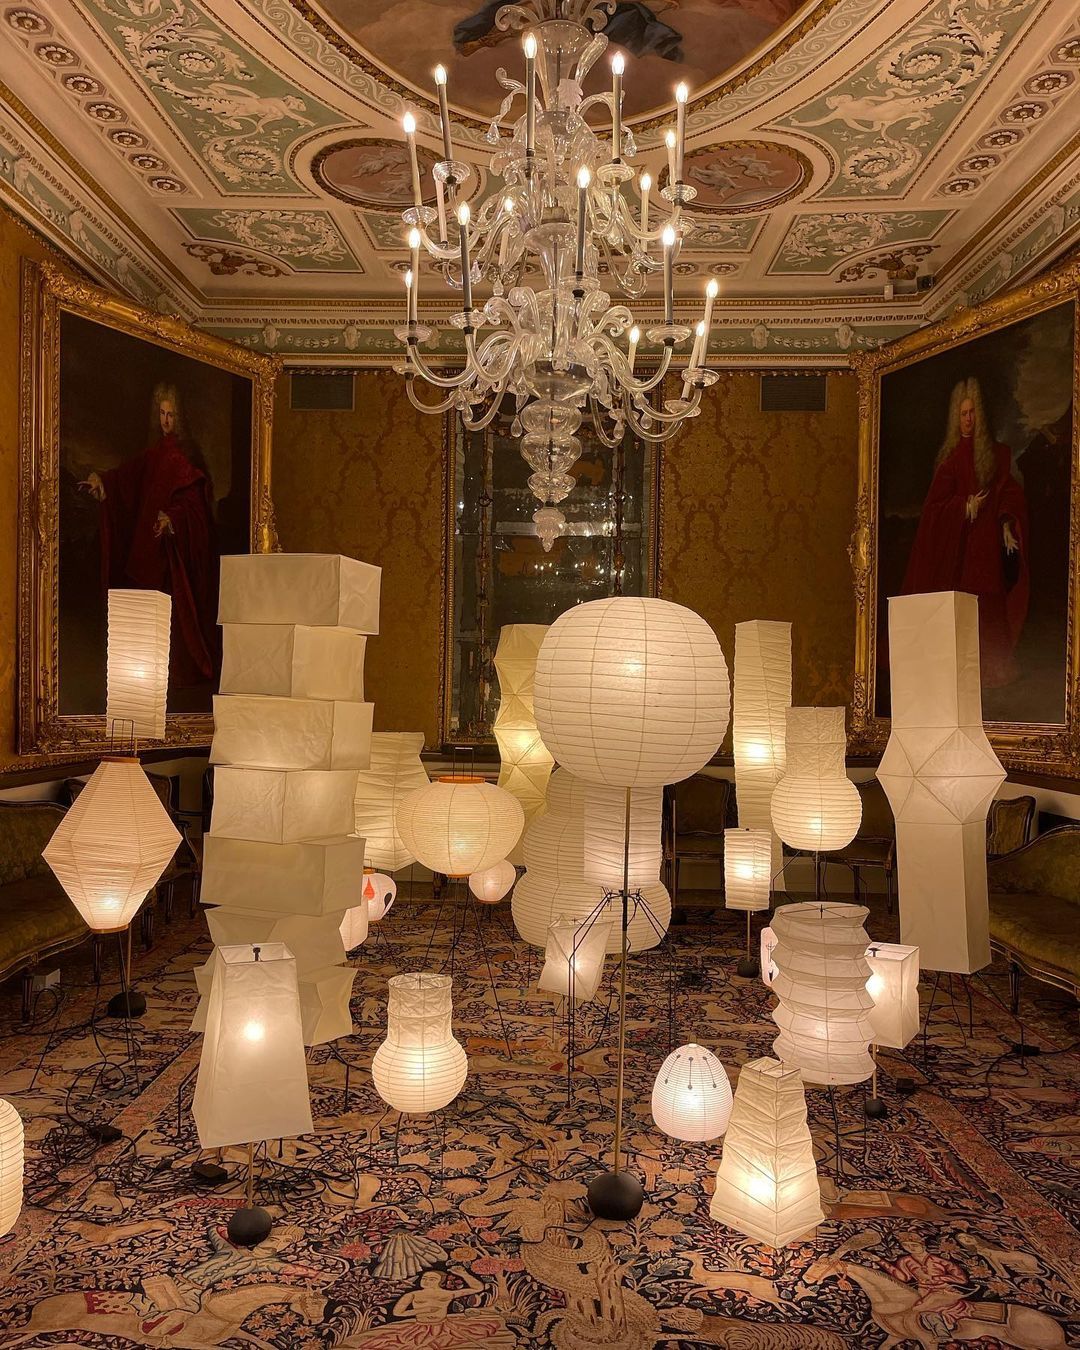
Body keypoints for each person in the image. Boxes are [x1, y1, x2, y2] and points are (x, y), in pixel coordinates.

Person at [80, 382, 218, 689]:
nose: (166, 420)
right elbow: (127, 478)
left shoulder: (187, 458)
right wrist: (103, 482)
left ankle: (169, 676)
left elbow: (194, 504)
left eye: (171, 414)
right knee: (141, 616)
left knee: (170, 615)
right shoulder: (154, 454)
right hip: (146, 549)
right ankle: (142, 681)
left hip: (169, 553)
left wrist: (172, 518)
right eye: (162, 413)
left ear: (180, 417)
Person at [901, 376, 1028, 687]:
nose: (968, 419)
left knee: (989, 608)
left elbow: (1007, 492)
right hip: (961, 551)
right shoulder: (950, 461)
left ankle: (992, 671)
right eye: (963, 413)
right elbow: (933, 509)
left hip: (987, 548)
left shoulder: (995, 454)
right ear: (955, 417)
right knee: (964, 612)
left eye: (972, 413)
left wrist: (1007, 523)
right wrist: (964, 506)